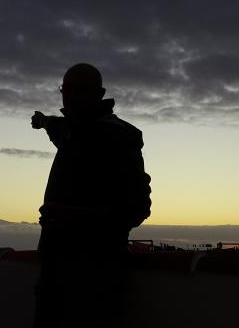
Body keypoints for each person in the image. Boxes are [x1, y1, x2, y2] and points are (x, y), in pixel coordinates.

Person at [30, 63, 151, 328]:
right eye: (66, 89)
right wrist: (42, 121)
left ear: (100, 93)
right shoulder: (70, 130)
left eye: (79, 90)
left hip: (94, 274)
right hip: (54, 271)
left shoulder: (118, 137)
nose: (70, 96)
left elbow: (136, 207)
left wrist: (72, 216)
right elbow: (55, 126)